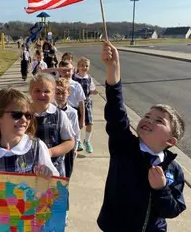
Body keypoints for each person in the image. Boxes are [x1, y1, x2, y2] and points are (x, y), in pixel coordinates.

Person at [98, 41, 186, 232]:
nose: (149, 120)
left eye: (159, 121)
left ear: (170, 141)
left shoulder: (174, 170)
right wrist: (113, 69)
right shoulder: (124, 146)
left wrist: (161, 189)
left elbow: (172, 210)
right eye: (147, 116)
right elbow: (116, 113)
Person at [0, 88, 59, 179]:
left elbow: (55, 182)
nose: (24, 120)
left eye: (28, 115)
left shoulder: (36, 148)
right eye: (16, 115)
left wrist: (48, 174)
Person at [29, 73, 75, 177]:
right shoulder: (23, 115)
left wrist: (49, 153)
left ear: (53, 93)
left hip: (53, 169)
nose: (42, 95)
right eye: (37, 91)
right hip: (28, 169)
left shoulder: (59, 115)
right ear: (30, 92)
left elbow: (70, 142)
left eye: (47, 91)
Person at [55, 78, 80, 178]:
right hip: (55, 146)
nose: (60, 96)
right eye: (57, 93)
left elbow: (76, 131)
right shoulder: (51, 110)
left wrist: (75, 147)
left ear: (68, 93)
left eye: (63, 93)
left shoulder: (72, 112)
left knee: (66, 174)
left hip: (68, 146)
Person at [73, 57, 98, 153]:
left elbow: (91, 90)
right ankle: (78, 140)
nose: (84, 67)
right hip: (76, 103)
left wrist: (94, 92)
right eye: (82, 65)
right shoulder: (74, 77)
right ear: (78, 66)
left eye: (86, 66)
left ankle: (87, 141)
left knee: (90, 123)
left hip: (87, 103)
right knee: (78, 123)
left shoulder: (89, 79)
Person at [58, 60, 86, 131]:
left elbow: (81, 103)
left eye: (69, 70)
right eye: (64, 71)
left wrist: (82, 119)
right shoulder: (55, 84)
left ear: (73, 71)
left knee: (73, 133)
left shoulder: (76, 85)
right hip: (59, 111)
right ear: (59, 71)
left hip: (73, 113)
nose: (67, 73)